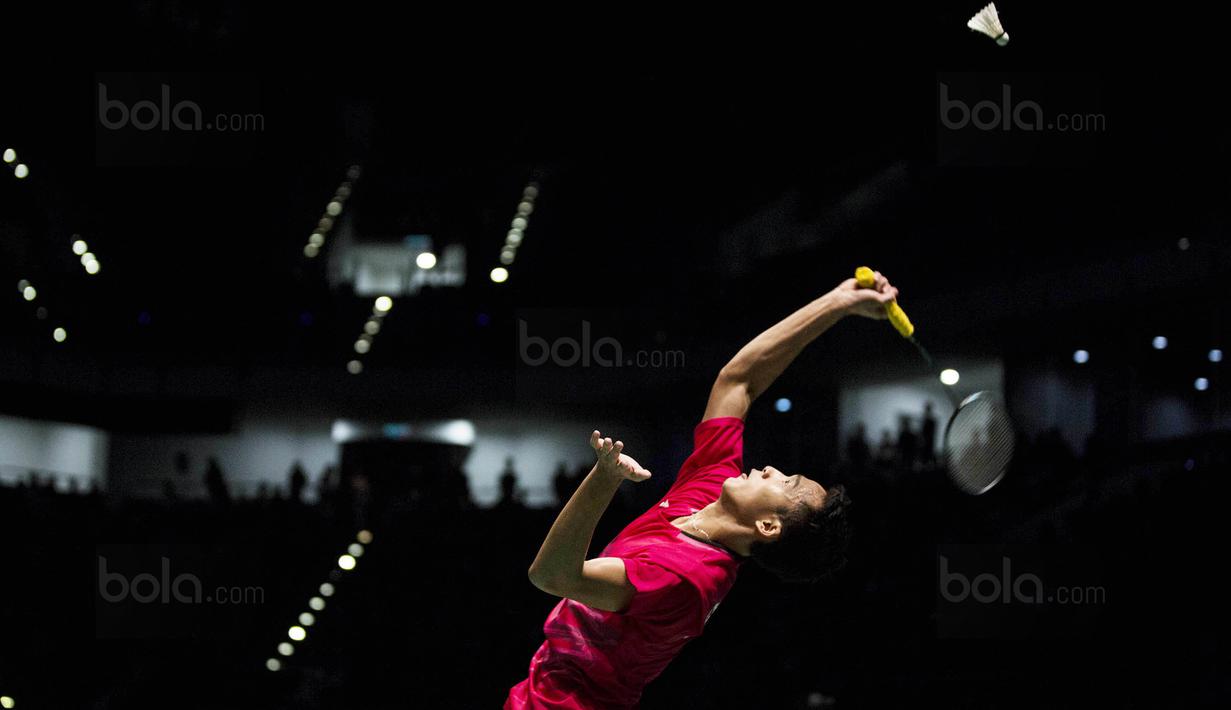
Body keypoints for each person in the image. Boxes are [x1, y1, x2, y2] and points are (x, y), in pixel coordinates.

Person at [506, 271, 901, 709]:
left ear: (767, 526)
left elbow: (552, 576)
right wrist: (838, 303)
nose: (770, 468)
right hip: (540, 685)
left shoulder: (683, 579)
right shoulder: (711, 489)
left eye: (785, 482)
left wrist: (604, 479)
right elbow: (739, 382)